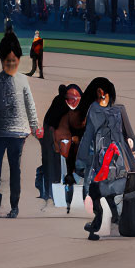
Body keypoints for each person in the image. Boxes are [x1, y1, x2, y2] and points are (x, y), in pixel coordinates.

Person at [0, 32, 41, 218]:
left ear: (18, 60)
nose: (11, 65)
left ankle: (14, 205)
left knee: (15, 169)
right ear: (1, 60)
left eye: (14, 61)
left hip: (18, 133)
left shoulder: (23, 81)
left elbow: (30, 104)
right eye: (7, 61)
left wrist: (34, 126)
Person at [75, 77, 135, 241]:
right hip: (116, 165)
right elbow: (127, 139)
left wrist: (80, 162)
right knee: (108, 192)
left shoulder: (95, 111)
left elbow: (88, 137)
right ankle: (115, 220)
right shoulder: (118, 111)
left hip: (101, 163)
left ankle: (97, 225)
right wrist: (134, 164)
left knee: (96, 192)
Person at [52, 83, 84, 213]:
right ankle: (68, 200)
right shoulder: (60, 107)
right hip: (66, 146)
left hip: (79, 147)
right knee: (67, 174)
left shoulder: (83, 110)